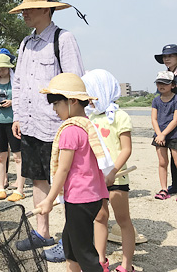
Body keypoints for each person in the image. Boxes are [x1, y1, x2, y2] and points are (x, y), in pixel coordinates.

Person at [9, 0, 85, 258]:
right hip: (30, 125)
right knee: (38, 179)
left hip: (56, 127)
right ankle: (42, 232)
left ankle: (71, 239)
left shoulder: (63, 39)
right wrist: (17, 115)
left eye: (29, 9)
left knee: (65, 184)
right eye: (23, 9)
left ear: (46, 9)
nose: (24, 13)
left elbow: (75, 84)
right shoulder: (25, 43)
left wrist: (73, 124)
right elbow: (18, 83)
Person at [35, 73, 112, 272]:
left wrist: (49, 199)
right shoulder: (88, 125)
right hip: (91, 196)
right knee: (71, 250)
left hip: (80, 199)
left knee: (85, 254)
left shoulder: (70, 131)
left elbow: (63, 168)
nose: (54, 109)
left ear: (72, 101)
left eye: (56, 103)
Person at [82, 69, 136, 272]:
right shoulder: (90, 119)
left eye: (92, 95)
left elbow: (126, 149)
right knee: (99, 217)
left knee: (123, 220)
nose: (89, 101)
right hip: (96, 179)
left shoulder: (120, 116)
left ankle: (126, 265)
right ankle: (101, 260)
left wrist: (112, 172)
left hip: (117, 178)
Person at [0, 54, 25, 201]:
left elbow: (24, 97)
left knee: (17, 156)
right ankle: (1, 187)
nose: (0, 72)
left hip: (14, 121)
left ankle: (20, 189)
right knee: (0, 156)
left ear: (9, 68)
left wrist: (13, 102)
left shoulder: (17, 80)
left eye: (2, 69)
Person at [150, 70, 177, 201]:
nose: (161, 85)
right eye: (159, 83)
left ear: (173, 85)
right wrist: (159, 134)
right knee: (162, 162)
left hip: (174, 135)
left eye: (165, 83)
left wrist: (164, 134)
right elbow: (154, 119)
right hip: (159, 135)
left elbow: (175, 120)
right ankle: (164, 189)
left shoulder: (176, 99)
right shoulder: (156, 100)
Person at [154, 44, 177, 193]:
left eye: (170, 56)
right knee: (168, 155)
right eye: (164, 56)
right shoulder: (164, 75)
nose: (166, 59)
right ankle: (174, 185)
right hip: (167, 119)